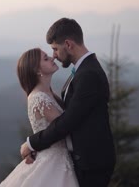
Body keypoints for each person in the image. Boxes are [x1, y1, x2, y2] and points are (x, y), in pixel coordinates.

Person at [20, 18, 116, 187]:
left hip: (92, 163)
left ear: (68, 44)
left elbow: (68, 121)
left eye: (55, 49)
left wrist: (32, 144)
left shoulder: (88, 74)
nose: (54, 55)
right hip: (82, 161)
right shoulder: (82, 70)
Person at [0, 48, 79, 187]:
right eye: (46, 59)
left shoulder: (49, 94)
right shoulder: (39, 98)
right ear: (37, 70)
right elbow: (64, 126)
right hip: (53, 162)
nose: (52, 58)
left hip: (60, 158)